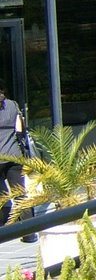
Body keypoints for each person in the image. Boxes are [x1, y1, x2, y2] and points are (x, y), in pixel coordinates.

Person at [0, 85, 37, 241]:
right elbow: (20, 130)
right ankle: (29, 233)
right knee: (20, 194)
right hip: (14, 157)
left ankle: (4, 228)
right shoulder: (13, 105)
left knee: (1, 195)